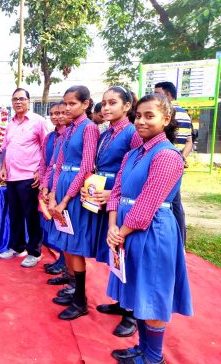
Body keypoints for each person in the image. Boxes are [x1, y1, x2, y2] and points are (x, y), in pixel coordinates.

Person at [106, 93, 193, 364]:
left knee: (153, 293)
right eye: (139, 116)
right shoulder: (133, 153)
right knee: (138, 290)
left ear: (166, 119)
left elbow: (148, 203)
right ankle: (143, 348)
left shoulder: (167, 155)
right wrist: (112, 225)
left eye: (150, 116)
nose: (141, 121)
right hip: (126, 229)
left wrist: (121, 231)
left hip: (153, 232)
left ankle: (154, 357)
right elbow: (117, 191)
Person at [82, 86, 142, 337]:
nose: (106, 107)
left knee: (125, 251)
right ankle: (121, 302)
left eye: (113, 103)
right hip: (106, 199)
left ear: (127, 106)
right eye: (104, 103)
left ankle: (132, 314)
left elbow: (139, 171)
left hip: (124, 200)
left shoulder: (133, 133)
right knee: (113, 251)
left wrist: (115, 192)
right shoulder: (107, 133)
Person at [47, 85, 99, 320]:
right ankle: (73, 288)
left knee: (74, 243)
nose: (67, 108)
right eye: (65, 103)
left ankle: (80, 300)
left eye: (72, 104)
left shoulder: (89, 129)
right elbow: (58, 164)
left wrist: (66, 198)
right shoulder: (67, 129)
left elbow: (86, 167)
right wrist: (53, 193)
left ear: (86, 104)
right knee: (65, 241)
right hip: (63, 186)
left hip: (76, 190)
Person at [0, 88, 48, 267]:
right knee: (15, 214)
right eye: (14, 99)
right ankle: (17, 247)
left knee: (31, 215)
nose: (18, 102)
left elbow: (47, 148)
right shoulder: (10, 124)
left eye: (21, 99)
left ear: (28, 100)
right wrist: (4, 167)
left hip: (29, 176)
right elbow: (7, 148)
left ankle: (34, 251)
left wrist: (40, 172)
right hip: (12, 177)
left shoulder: (38, 121)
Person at [154, 82, 190, 244]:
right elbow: (189, 140)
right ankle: (179, 240)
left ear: (168, 95)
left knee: (169, 203)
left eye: (157, 93)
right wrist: (181, 157)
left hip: (164, 161)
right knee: (174, 202)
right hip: (175, 160)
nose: (155, 96)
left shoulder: (168, 111)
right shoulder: (185, 113)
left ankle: (177, 242)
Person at [39, 102, 66, 275]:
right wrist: (43, 184)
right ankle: (61, 261)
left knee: (64, 226)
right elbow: (44, 162)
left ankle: (65, 263)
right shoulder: (49, 137)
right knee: (52, 224)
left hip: (62, 185)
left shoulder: (68, 135)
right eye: (53, 113)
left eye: (60, 113)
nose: (57, 116)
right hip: (48, 184)